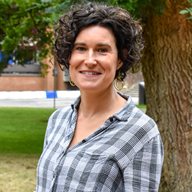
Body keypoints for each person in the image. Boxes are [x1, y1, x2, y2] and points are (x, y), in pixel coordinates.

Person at [36, 2, 164, 192]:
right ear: (69, 56)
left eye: (102, 50)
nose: (89, 60)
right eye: (80, 48)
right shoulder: (58, 120)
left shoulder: (141, 132)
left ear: (120, 58)